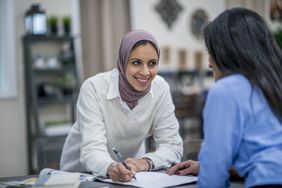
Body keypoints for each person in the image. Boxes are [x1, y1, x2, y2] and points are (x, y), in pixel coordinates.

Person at [167, 7, 282, 188]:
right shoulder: (275, 82)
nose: (209, 62)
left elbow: (214, 175)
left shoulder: (227, 89)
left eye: (210, 50)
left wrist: (209, 168)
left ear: (226, 50)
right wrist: (203, 166)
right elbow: (266, 153)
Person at [60, 30, 183, 182]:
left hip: (132, 175)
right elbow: (92, 150)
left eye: (152, 63)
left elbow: (172, 145)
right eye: (136, 62)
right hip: (81, 175)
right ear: (123, 61)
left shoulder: (160, 88)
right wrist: (112, 168)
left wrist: (145, 163)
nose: (145, 72)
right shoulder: (94, 88)